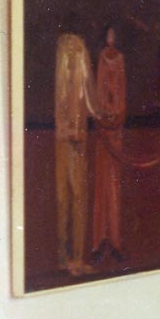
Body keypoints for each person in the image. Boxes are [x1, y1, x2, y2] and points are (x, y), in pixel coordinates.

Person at [53, 30, 97, 277]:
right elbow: (88, 98)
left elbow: (79, 98)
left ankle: (65, 256)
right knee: (75, 197)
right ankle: (75, 259)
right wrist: (101, 113)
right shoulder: (78, 53)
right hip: (74, 138)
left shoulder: (64, 53)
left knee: (65, 196)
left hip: (65, 136)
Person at [91, 26, 127, 263]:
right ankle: (99, 241)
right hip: (104, 131)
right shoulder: (102, 58)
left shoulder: (120, 60)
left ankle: (114, 241)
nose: (111, 38)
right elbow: (97, 94)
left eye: (114, 34)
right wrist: (103, 116)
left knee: (113, 186)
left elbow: (122, 95)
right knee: (101, 185)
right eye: (109, 34)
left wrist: (116, 117)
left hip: (115, 131)